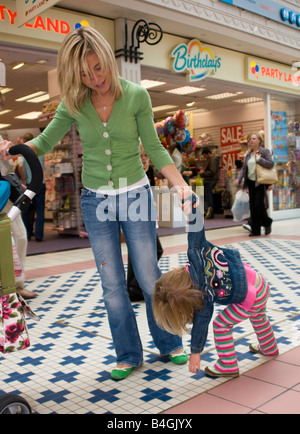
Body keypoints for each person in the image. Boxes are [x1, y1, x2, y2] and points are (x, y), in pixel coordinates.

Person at [0, 26, 195, 380]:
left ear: (107, 59)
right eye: (85, 74)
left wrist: (180, 184)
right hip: (95, 200)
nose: (95, 79)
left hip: (135, 194)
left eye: (98, 68)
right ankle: (128, 354)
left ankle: (168, 343)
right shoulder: (74, 102)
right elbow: (44, 141)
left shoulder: (136, 96)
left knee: (149, 275)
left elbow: (154, 147)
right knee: (111, 283)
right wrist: (16, 150)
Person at [153, 204, 279, 378]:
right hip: (260, 283)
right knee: (258, 315)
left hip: (251, 296)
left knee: (221, 324)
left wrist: (195, 352)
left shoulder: (202, 297)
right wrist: (192, 207)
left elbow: (200, 325)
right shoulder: (196, 253)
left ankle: (228, 365)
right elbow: (196, 231)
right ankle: (269, 347)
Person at [127, 144, 163, 302]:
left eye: (146, 156)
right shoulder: (133, 173)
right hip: (138, 218)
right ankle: (135, 286)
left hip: (142, 217)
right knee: (155, 250)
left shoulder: (146, 172)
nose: (144, 159)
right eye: (140, 156)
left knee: (136, 253)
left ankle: (133, 287)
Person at [0, 158, 37, 299]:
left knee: (20, 237)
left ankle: (17, 285)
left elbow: (9, 165)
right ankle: (10, 286)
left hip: (7, 194)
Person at [235, 133, 273, 236]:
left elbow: (270, 163)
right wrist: (239, 178)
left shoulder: (264, 151)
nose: (251, 141)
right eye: (250, 139)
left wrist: (259, 159)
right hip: (250, 183)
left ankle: (267, 222)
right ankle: (255, 230)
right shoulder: (248, 154)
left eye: (254, 139)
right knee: (253, 207)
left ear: (259, 141)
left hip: (260, 182)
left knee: (258, 205)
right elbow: (244, 168)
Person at [18, 133, 46, 242]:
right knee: (40, 210)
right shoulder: (41, 152)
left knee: (26, 210)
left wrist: (23, 180)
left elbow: (20, 166)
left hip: (30, 185)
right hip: (41, 183)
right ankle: (39, 235)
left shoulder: (24, 151)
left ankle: (28, 233)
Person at [200, 147, 219, 219]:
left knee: (208, 197)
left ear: (208, 154)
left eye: (205, 156)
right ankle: (209, 212)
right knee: (208, 197)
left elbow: (212, 171)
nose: (204, 158)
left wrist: (203, 173)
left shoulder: (212, 160)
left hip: (210, 180)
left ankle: (210, 213)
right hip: (209, 180)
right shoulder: (211, 160)